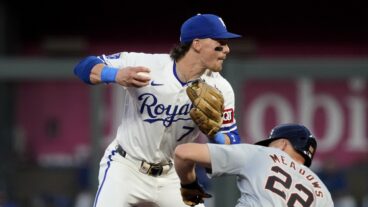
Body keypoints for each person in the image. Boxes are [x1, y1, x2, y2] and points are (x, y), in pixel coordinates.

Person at [73, 13, 242, 207]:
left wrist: (216, 136)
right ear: (197, 43)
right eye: (220, 42)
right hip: (126, 167)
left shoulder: (222, 89)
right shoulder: (148, 66)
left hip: (174, 176)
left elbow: (233, 143)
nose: (226, 49)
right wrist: (115, 74)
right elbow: (83, 66)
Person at [174, 123, 334, 206]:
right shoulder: (322, 192)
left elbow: (184, 152)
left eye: (270, 143)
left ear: (283, 144)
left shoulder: (263, 154)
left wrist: (189, 184)